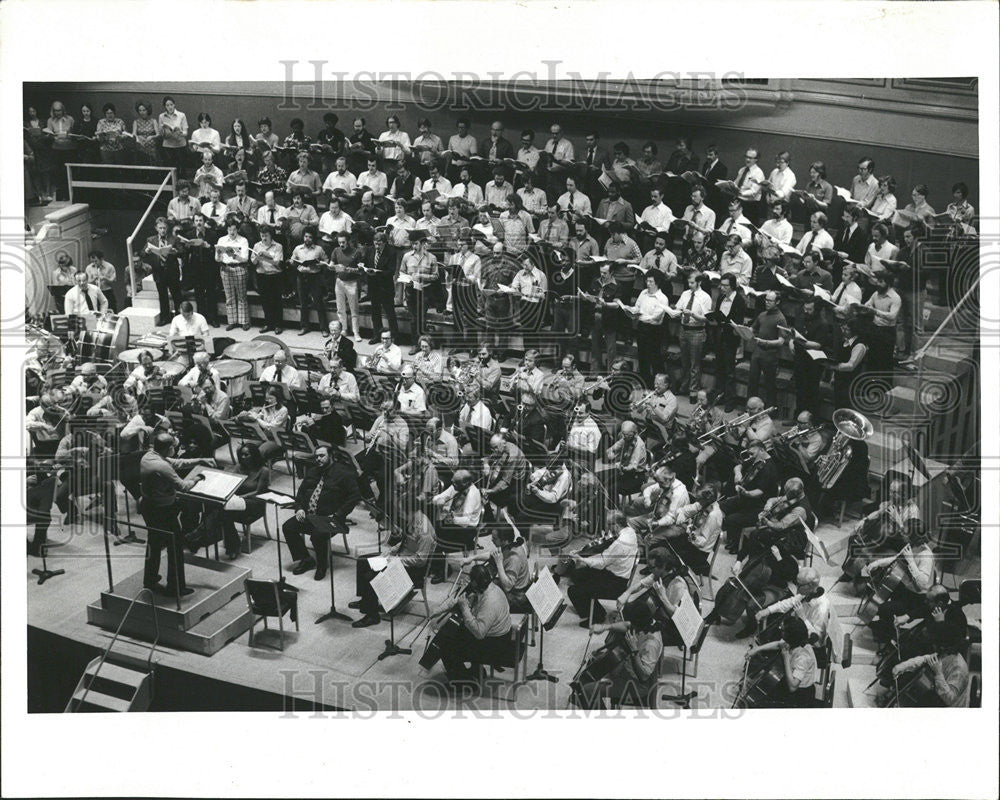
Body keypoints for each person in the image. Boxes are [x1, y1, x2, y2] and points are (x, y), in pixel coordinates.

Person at [139, 432, 214, 596]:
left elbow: (177, 462)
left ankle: (150, 580)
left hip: (149, 506)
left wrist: (200, 460)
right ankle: (176, 587)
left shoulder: (149, 456)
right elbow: (184, 486)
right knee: (175, 546)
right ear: (168, 448)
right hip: (162, 511)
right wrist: (198, 477)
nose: (176, 448)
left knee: (154, 543)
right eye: (173, 446)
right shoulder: (161, 466)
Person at [282, 446, 361, 580]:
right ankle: (306, 559)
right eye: (316, 456)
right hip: (310, 515)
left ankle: (322, 566)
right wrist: (299, 508)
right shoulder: (313, 471)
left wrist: (339, 514)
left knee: (317, 536)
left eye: (322, 456)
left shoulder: (344, 473)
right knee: (288, 527)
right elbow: (301, 492)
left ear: (331, 456)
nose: (318, 459)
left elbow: (355, 496)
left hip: (331, 518)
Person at [350, 507, 437, 628]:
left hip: (413, 569)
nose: (399, 512)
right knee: (362, 561)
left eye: (401, 509)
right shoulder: (413, 519)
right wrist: (390, 552)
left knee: (370, 576)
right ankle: (365, 601)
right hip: (401, 558)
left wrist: (397, 560)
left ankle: (372, 615)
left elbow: (421, 560)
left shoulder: (424, 531)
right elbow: (405, 543)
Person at [430, 563, 513, 690]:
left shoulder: (490, 601)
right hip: (496, 634)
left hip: (495, 645)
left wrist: (465, 609)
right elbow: (457, 599)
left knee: (445, 646)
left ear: (476, 583)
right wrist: (438, 610)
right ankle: (475, 671)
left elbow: (479, 633)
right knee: (455, 630)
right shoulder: (487, 586)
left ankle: (463, 683)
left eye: (471, 582)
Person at [565, 511, 640, 626]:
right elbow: (604, 555)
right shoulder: (630, 531)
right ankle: (590, 609)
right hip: (616, 573)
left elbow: (601, 562)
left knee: (573, 591)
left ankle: (598, 616)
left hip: (616, 582)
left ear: (616, 525)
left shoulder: (620, 542)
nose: (608, 528)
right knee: (577, 575)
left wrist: (581, 558)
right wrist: (584, 554)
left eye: (609, 525)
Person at [755, 567, 841, 660]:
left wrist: (803, 618)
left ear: (809, 586)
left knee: (780, 638)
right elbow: (790, 602)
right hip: (801, 631)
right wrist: (767, 610)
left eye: (799, 585)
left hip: (809, 646)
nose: (796, 588)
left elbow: (817, 642)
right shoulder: (808, 593)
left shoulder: (821, 608)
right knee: (774, 620)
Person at [743, 617, 817, 708]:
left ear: (790, 635)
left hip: (800, 695)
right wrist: (757, 649)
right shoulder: (795, 641)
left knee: (759, 705)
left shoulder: (804, 657)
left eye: (782, 630)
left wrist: (785, 657)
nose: (780, 632)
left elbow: (792, 687)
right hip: (790, 679)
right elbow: (779, 644)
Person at [890, 626, 970, 708]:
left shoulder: (959, 669)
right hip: (937, 699)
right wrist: (903, 666)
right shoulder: (945, 652)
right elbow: (925, 659)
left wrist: (938, 673)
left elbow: (949, 699)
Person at [668, 271, 713, 403]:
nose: (689, 285)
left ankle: (693, 391)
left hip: (697, 331)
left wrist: (692, 314)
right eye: (688, 282)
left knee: (695, 364)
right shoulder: (685, 294)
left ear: (699, 282)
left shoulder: (705, 297)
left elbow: (706, 319)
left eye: (692, 282)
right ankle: (685, 385)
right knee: (685, 361)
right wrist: (672, 310)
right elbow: (678, 308)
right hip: (684, 330)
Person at [624, 273, 670, 386]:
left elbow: (655, 318)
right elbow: (637, 307)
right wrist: (630, 309)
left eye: (651, 282)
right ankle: (645, 382)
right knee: (642, 356)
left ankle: (659, 384)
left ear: (657, 283)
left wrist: (638, 316)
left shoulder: (663, 298)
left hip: (654, 330)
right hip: (642, 327)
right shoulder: (643, 293)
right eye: (647, 281)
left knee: (655, 358)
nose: (647, 284)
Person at [712, 274, 747, 411]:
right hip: (719, 337)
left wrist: (726, 323)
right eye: (722, 285)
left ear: (732, 286)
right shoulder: (721, 297)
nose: (722, 288)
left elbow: (738, 322)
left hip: (730, 339)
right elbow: (717, 314)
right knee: (719, 368)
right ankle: (719, 397)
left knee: (729, 372)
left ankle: (730, 401)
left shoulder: (739, 301)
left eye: (725, 285)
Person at [747, 291, 787, 408]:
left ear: (777, 302)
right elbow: (752, 329)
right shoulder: (762, 315)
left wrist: (765, 342)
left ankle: (770, 410)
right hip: (757, 352)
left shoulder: (781, 319)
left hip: (770, 355)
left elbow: (781, 341)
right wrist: (740, 329)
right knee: (752, 382)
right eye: (766, 300)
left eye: (770, 301)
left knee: (769, 384)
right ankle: (749, 409)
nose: (767, 303)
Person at [143, 216, 182, 323]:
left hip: (172, 271)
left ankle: (180, 318)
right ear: (156, 228)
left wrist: (176, 252)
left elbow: (182, 251)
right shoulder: (151, 240)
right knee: (163, 296)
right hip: (159, 272)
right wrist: (147, 251)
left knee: (176, 295)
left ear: (167, 228)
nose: (162, 230)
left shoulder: (173, 239)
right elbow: (142, 254)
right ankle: (165, 318)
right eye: (160, 228)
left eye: (164, 228)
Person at [291, 228, 329, 334]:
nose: (307, 239)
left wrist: (319, 264)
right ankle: (304, 327)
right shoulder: (298, 248)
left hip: (314, 277)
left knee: (318, 302)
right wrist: (292, 262)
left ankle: (324, 328)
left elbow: (326, 261)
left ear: (313, 238)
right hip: (301, 276)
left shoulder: (318, 249)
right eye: (306, 236)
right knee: (303, 303)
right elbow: (292, 260)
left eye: (310, 237)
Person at [864, 271, 902, 372]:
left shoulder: (895, 298)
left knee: (885, 361)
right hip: (875, 328)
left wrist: (875, 311)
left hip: (887, 332)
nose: (878, 284)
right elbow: (867, 304)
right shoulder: (876, 293)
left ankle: (885, 386)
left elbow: (892, 316)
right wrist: (867, 307)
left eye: (881, 282)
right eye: (878, 281)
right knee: (872, 358)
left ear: (888, 283)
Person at [250, 223, 285, 333]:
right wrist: (256, 257)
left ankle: (278, 325)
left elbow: (277, 263)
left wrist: (266, 256)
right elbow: (253, 262)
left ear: (271, 235)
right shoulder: (257, 246)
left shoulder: (278, 246)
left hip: (275, 275)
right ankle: (268, 324)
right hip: (262, 276)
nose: (264, 238)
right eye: (262, 235)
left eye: (266, 235)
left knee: (277, 301)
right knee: (265, 301)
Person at [831, 319, 869, 411]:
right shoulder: (844, 341)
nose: (843, 331)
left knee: (845, 409)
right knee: (838, 407)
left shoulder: (859, 345)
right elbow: (839, 359)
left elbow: (851, 366)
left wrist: (833, 366)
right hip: (839, 380)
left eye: (846, 329)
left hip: (850, 383)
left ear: (854, 331)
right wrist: (833, 376)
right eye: (842, 328)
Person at [605, 420, 647, 498]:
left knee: (612, 489)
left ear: (635, 433)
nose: (624, 437)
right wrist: (611, 453)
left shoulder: (638, 446)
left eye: (627, 435)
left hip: (636, 476)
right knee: (605, 482)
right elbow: (612, 449)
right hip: (625, 472)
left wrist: (620, 467)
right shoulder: (626, 439)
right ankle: (611, 505)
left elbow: (632, 467)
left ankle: (614, 509)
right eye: (623, 434)